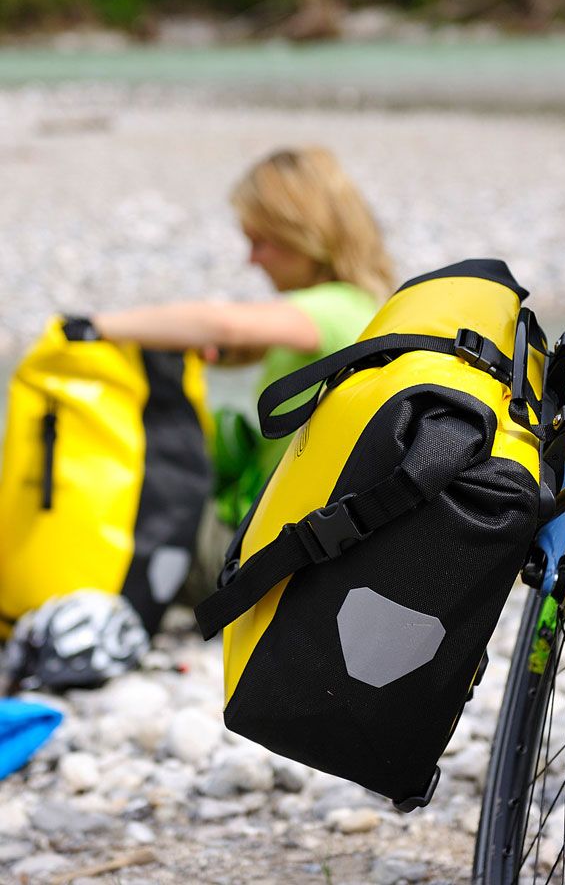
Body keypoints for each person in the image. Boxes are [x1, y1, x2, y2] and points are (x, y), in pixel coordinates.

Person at [93, 146, 395, 597]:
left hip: (247, 549)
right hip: (284, 538)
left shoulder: (333, 306)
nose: (251, 260)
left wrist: (96, 328)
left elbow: (225, 321)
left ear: (306, 236)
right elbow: (252, 340)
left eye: (261, 241)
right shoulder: (365, 308)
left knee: (109, 500)